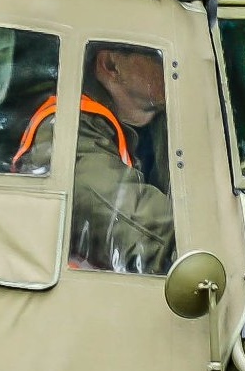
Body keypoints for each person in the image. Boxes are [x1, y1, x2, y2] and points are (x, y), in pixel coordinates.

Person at [13, 43, 176, 275]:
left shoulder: (160, 124)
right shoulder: (66, 129)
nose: (176, 64)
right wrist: (207, 242)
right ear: (110, 65)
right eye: (160, 55)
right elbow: (137, 229)